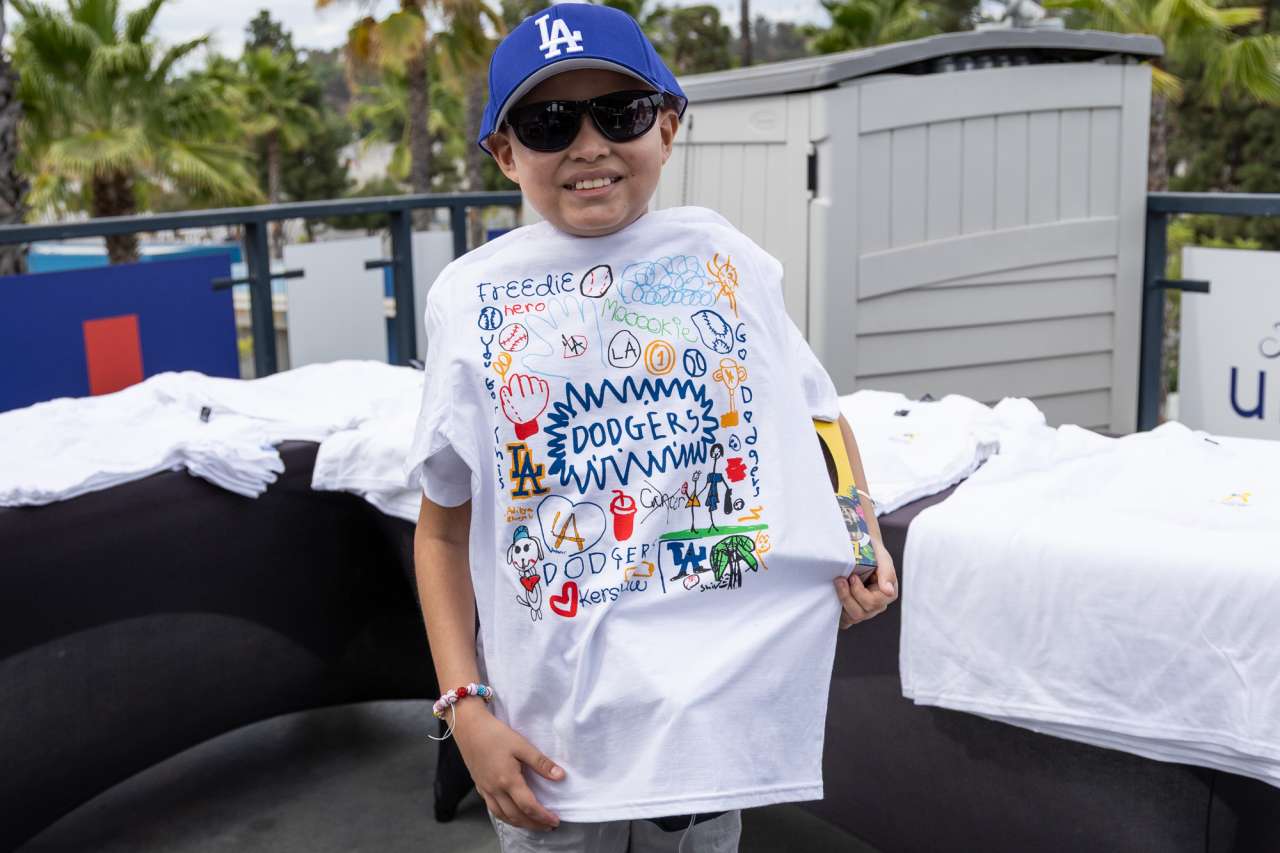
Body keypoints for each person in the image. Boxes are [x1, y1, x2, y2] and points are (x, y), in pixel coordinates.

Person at [406, 5, 899, 851]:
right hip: (544, 741)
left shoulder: (729, 261)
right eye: (549, 121)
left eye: (622, 113)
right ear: (504, 152)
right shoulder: (468, 297)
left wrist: (860, 531)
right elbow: (443, 533)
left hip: (711, 715)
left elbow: (816, 412)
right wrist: (465, 706)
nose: (589, 144)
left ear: (667, 127)